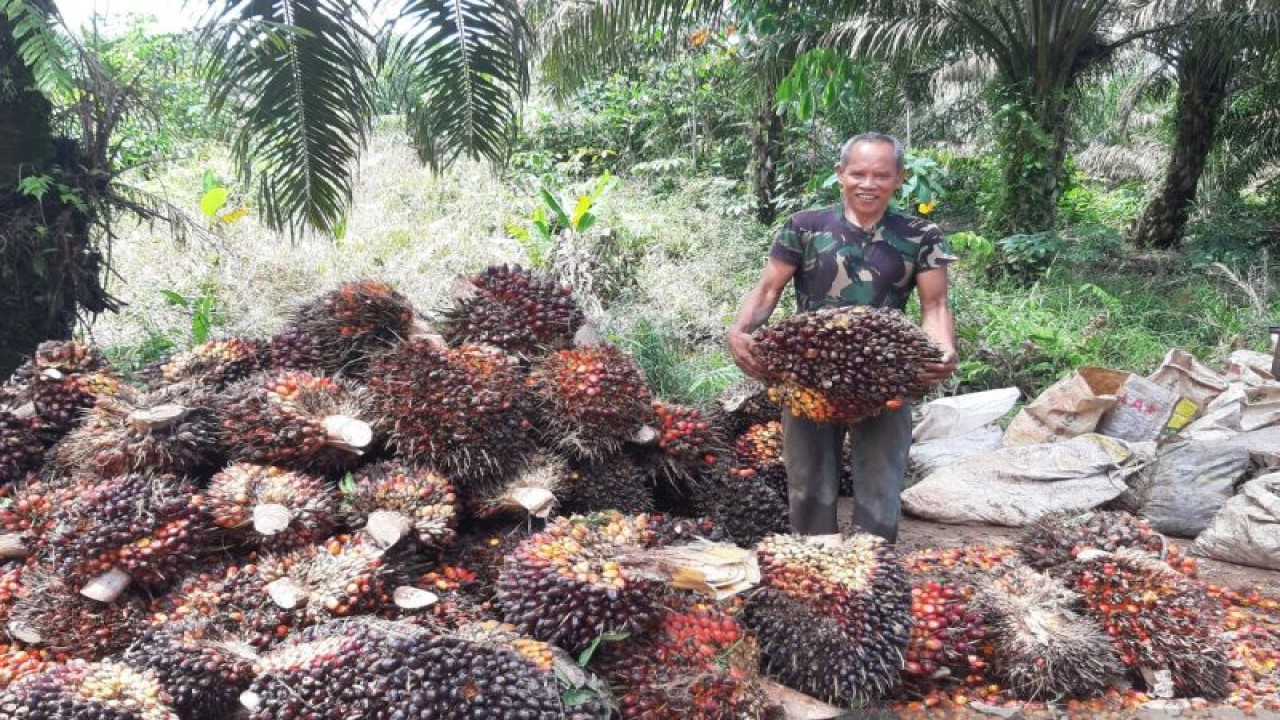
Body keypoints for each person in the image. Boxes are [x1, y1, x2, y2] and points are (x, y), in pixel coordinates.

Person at [726, 132, 957, 544]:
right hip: (809, 372)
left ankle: (873, 558)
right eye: (858, 174)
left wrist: (942, 350)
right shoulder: (805, 226)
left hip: (885, 374)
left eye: (881, 175)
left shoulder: (920, 234)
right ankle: (817, 557)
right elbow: (768, 290)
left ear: (899, 178)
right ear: (840, 174)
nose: (869, 184)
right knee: (807, 476)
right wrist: (739, 331)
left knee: (882, 477)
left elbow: (935, 305)